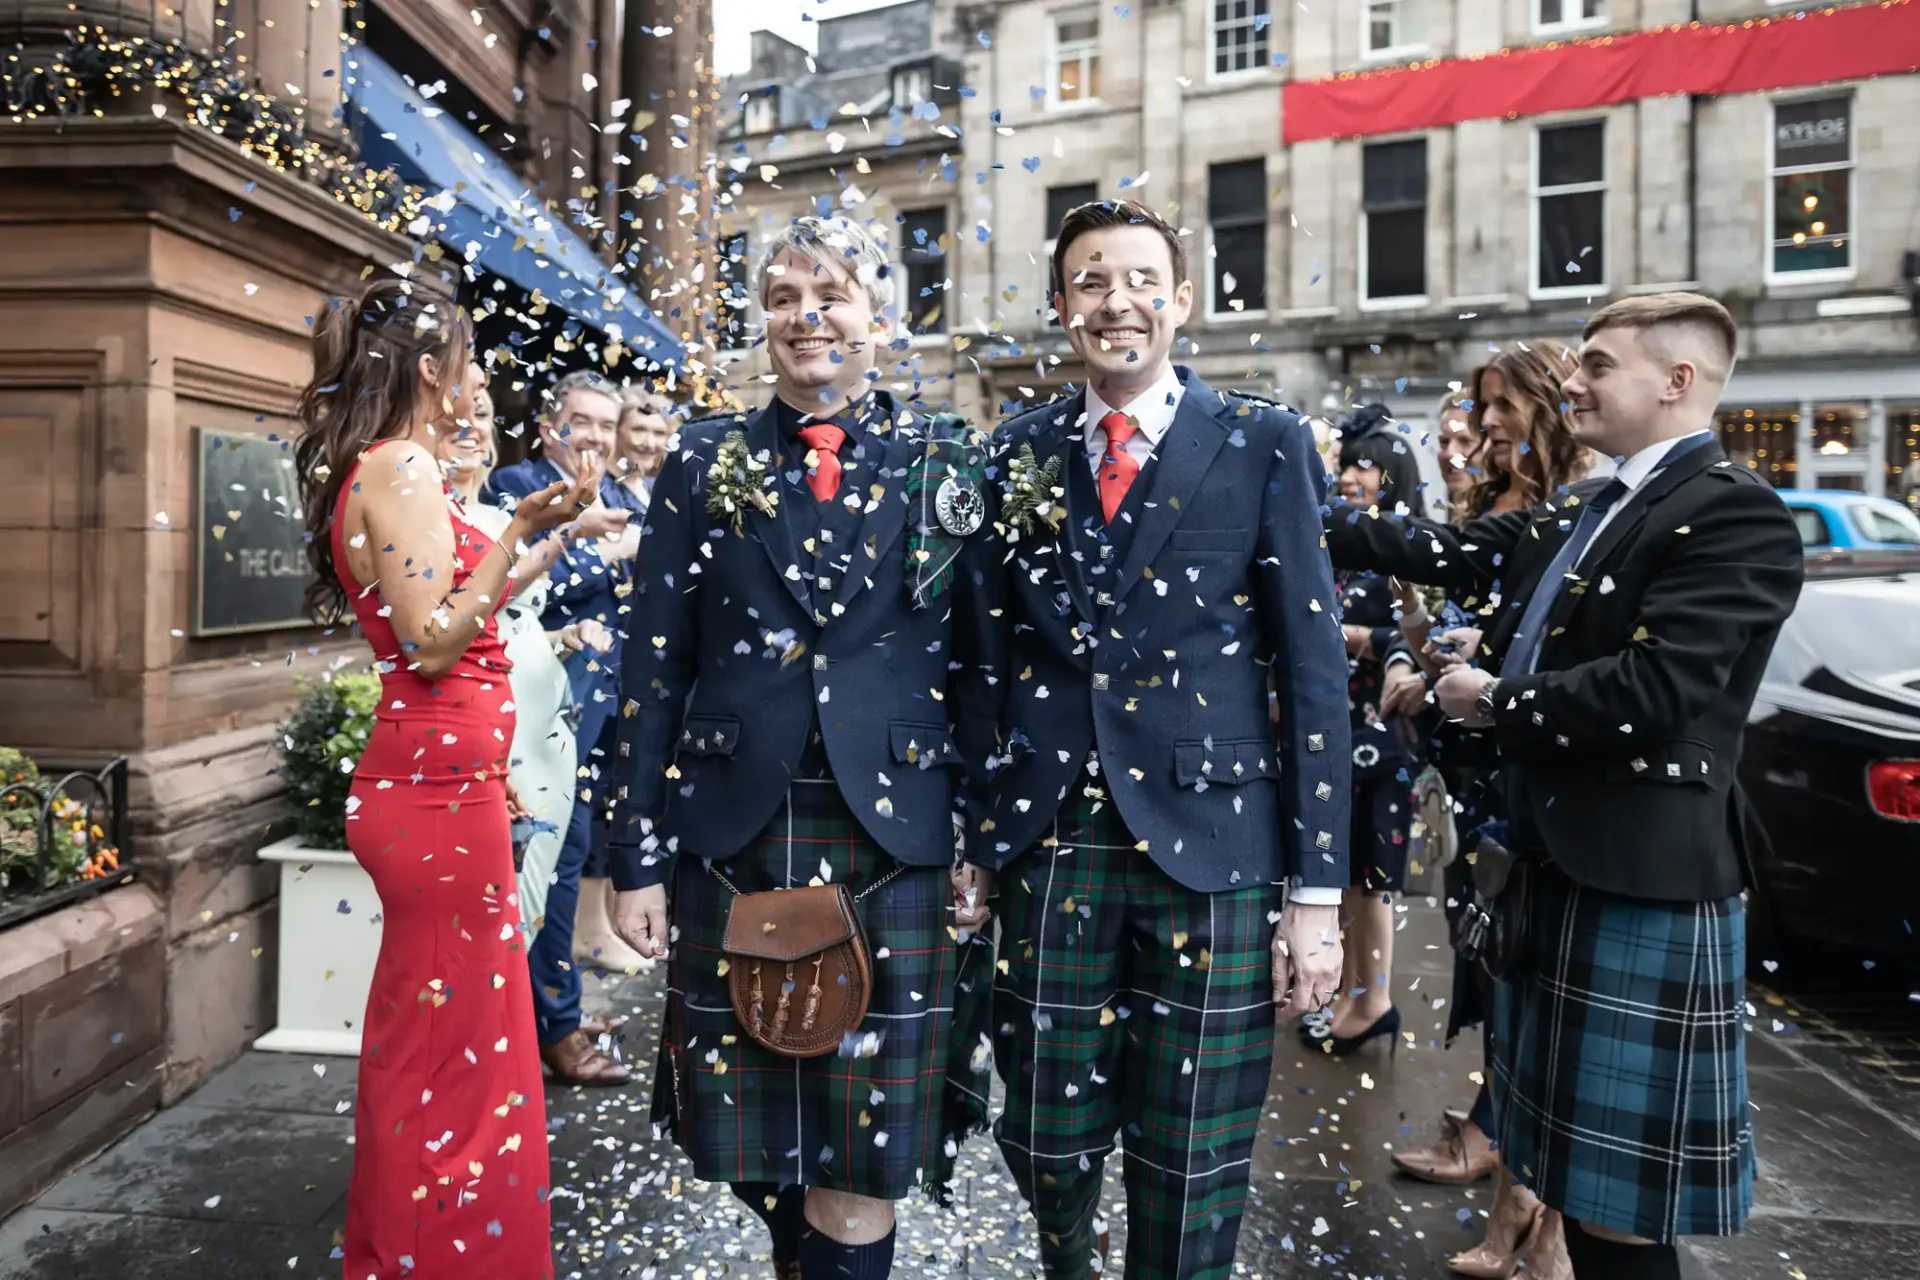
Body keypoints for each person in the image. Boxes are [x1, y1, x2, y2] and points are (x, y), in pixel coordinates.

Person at [1325, 293, 1804, 1280]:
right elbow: (1448, 560)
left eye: (1595, 364)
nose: (1571, 383)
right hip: (1552, 860)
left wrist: (1497, 697)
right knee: (1578, 1193)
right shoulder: (1595, 504)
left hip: (1637, 873)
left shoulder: (1731, 507)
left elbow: (1664, 688)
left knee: (1622, 1217)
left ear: (1677, 380)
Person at [605, 214, 1005, 1280]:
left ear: (879, 314)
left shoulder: (942, 460)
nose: (804, 316)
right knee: (752, 1146)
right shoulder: (702, 460)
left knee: (862, 1158)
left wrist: (979, 836)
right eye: (782, 297)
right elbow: (653, 664)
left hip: (899, 832)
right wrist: (635, 854)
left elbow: (978, 665)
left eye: (828, 294)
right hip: (739, 825)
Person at [981, 198, 1351, 1280]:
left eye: (1141, 279)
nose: (1118, 302)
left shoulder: (1263, 440)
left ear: (1183, 301)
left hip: (1217, 841)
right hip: (1049, 840)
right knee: (1043, 1130)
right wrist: (973, 828)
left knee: (1191, 1150)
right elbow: (988, 653)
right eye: (1091, 281)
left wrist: (1317, 894)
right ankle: (1067, 1261)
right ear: (1062, 308)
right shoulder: (1018, 448)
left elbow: (1315, 673)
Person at [295, 276, 598, 1279]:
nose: (477, 379)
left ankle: (425, 1248)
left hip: (447, 784)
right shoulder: (403, 466)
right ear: (432, 369)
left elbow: (457, 613)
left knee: (449, 1042)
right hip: (430, 796)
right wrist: (510, 533)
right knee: (454, 1058)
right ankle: (438, 1255)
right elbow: (431, 642)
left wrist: (540, 537)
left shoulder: (393, 468)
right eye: (468, 358)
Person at [1388, 344, 1598, 1280]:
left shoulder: (1583, 505)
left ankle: (1542, 1225)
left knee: (1549, 1017)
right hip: (1492, 783)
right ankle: (1516, 1199)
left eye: (1497, 410)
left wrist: (1490, 675)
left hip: (1557, 798)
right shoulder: (1522, 507)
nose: (1484, 430)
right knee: (1509, 999)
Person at [483, 370, 645, 1084]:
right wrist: (605, 547)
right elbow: (521, 582)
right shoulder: (513, 483)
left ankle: (551, 1011)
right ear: (551, 426)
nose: (597, 438)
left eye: (607, 426)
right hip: (541, 708)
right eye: (583, 422)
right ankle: (554, 1026)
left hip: (603, 705)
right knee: (550, 854)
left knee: (574, 856)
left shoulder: (609, 491)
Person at [437, 368, 610, 936]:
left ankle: (535, 1018)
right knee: (500, 908)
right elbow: (471, 609)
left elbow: (516, 610)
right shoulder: (438, 517)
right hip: (497, 724)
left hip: (548, 720)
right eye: (457, 416)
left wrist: (563, 637)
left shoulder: (489, 517)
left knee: (537, 891)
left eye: (483, 417)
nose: (471, 428)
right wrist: (576, 534)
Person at [1299, 407, 1428, 1057]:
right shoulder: (1344, 542)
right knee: (1348, 874)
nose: (1351, 477)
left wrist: (1361, 639)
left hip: (1384, 738)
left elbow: (1424, 633)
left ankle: (1373, 1000)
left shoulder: (1404, 547)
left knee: (1373, 879)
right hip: (1343, 728)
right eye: (1346, 464)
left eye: (1365, 467)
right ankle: (1352, 991)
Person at [615, 384, 675, 511]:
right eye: (638, 430)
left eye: (659, 433)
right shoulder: (597, 489)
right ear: (615, 430)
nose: (649, 443)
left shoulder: (656, 488)